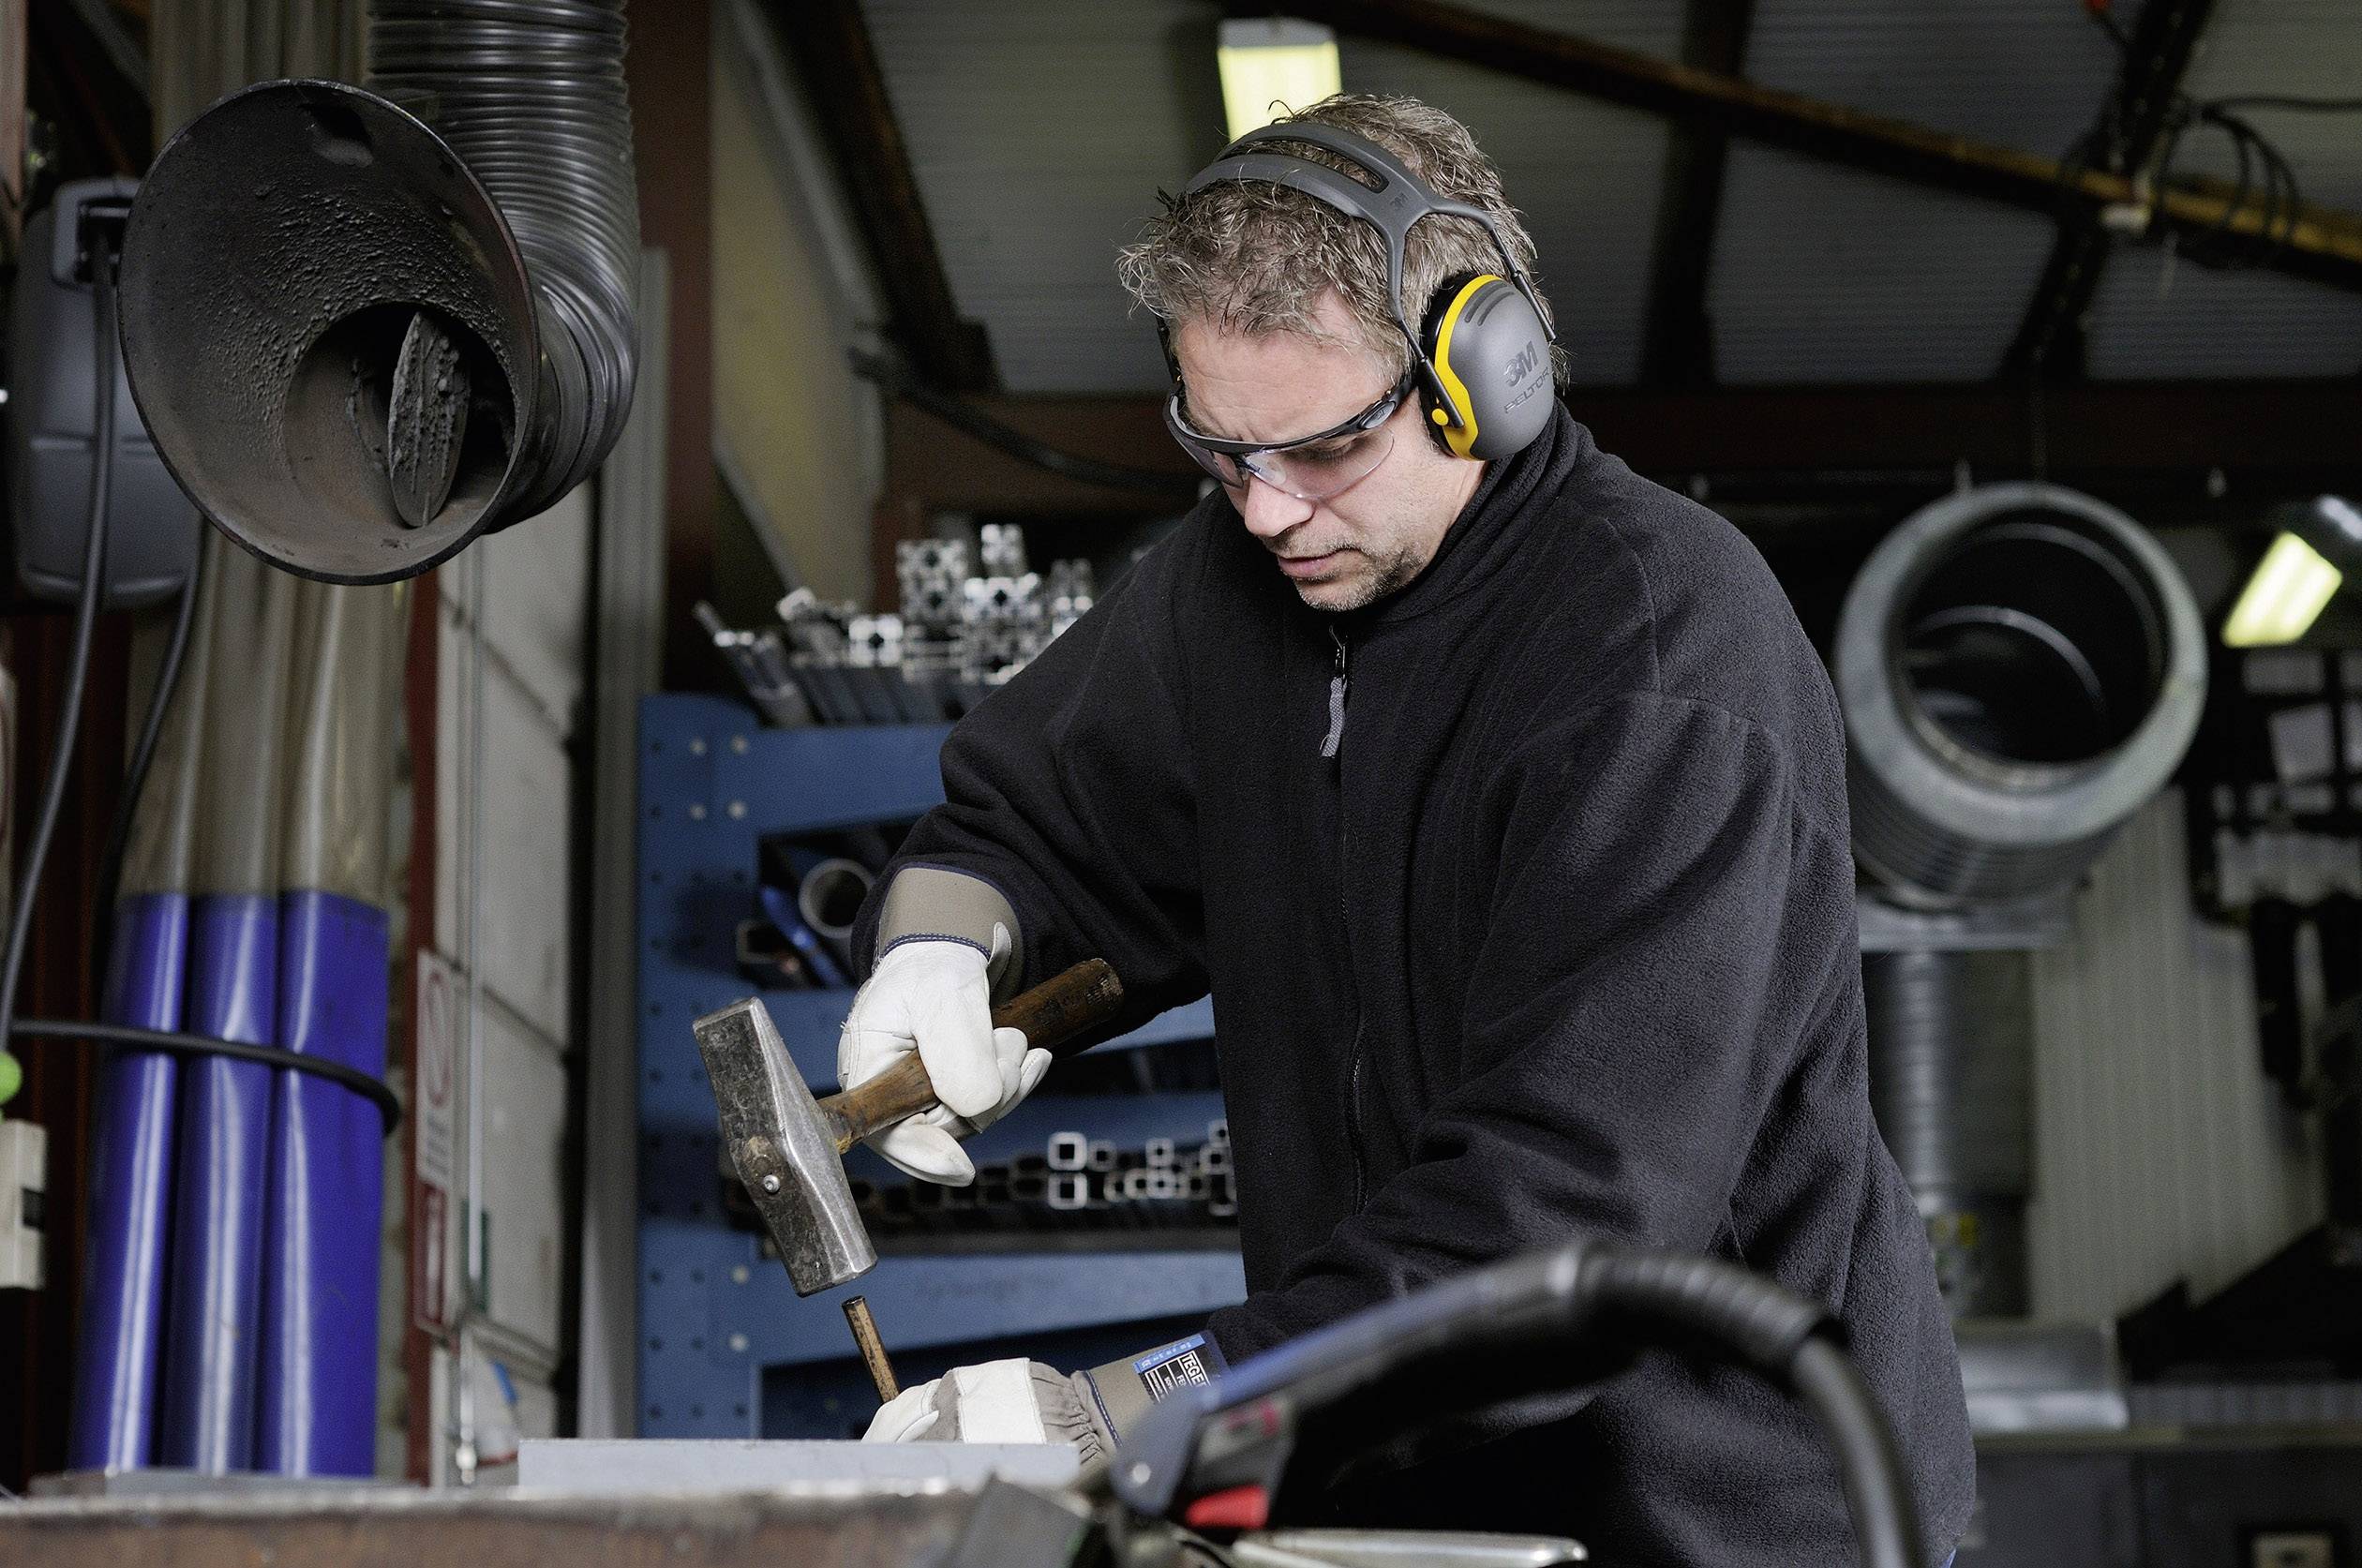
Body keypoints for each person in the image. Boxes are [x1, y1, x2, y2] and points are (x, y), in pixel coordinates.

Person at [842, 93, 1974, 1565]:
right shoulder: (1235, 589)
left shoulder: (1660, 661)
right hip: (1396, 1489)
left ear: (1479, 373)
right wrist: (941, 944)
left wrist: (1120, 1414)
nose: (1263, 512)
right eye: (1219, 447)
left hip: (1724, 1514)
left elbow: (1567, 1226)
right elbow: (1037, 818)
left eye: (1318, 450)